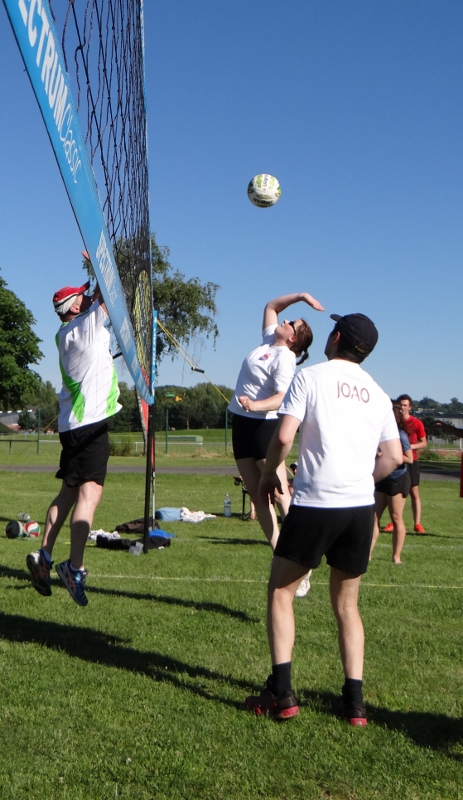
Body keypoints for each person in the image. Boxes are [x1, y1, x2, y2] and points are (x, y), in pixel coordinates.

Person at [244, 312, 402, 724]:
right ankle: (355, 704)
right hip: (359, 509)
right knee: (347, 605)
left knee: (281, 592)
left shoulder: (310, 377)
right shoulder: (378, 393)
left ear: (335, 338)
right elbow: (393, 457)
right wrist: (361, 481)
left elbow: (283, 436)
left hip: (315, 503)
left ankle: (282, 693)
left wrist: (268, 475)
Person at [26, 279, 121, 606]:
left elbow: (96, 298)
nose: (88, 296)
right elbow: (109, 291)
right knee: (89, 494)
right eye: (83, 296)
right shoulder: (87, 325)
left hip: (72, 425)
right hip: (89, 424)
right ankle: (74, 568)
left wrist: (91, 284)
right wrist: (98, 263)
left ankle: (44, 555)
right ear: (76, 307)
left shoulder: (65, 332)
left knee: (68, 492)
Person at [228, 292, 324, 553]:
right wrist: (302, 297)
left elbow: (283, 398)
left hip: (263, 428)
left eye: (292, 324)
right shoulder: (270, 340)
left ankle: (300, 551)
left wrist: (255, 405)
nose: (286, 320)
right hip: (242, 424)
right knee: (257, 495)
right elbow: (271, 306)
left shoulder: (285, 359)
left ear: (293, 339)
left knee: (280, 495)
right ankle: (279, 551)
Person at [370, 403, 413, 564]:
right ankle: (367, 554)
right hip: (381, 476)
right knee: (374, 517)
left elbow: (409, 458)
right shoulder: (378, 434)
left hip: (397, 478)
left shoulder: (400, 435)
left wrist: (388, 455)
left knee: (396, 517)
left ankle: (396, 557)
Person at [382, 394, 427, 534]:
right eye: (400, 405)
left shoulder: (416, 423)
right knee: (392, 491)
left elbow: (424, 442)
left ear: (410, 407)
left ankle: (417, 523)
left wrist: (409, 447)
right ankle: (393, 521)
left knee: (414, 492)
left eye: (405, 405)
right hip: (396, 461)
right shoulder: (392, 424)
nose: (402, 407)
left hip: (410, 459)